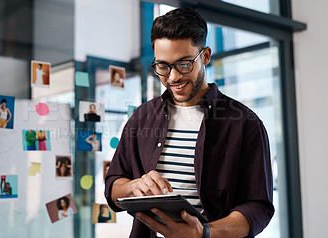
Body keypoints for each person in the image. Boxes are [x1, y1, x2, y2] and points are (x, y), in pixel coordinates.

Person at [104, 8, 274, 238]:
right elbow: (113, 184)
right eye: (163, 66)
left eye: (184, 64)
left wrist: (204, 233)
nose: (173, 77)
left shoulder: (245, 123)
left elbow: (258, 207)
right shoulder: (142, 117)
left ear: (205, 56)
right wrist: (133, 187)